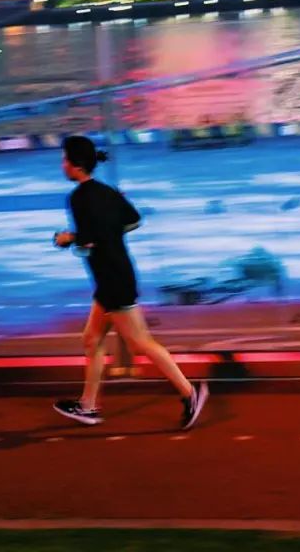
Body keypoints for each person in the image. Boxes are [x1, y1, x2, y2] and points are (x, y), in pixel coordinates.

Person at [52, 136, 207, 429]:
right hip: (114, 275)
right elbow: (134, 220)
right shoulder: (108, 192)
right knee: (92, 339)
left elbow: (87, 242)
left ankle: (190, 393)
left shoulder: (78, 197)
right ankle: (88, 406)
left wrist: (66, 239)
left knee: (140, 342)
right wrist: (107, 230)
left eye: (64, 160)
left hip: (112, 279)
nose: (62, 165)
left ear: (76, 164)